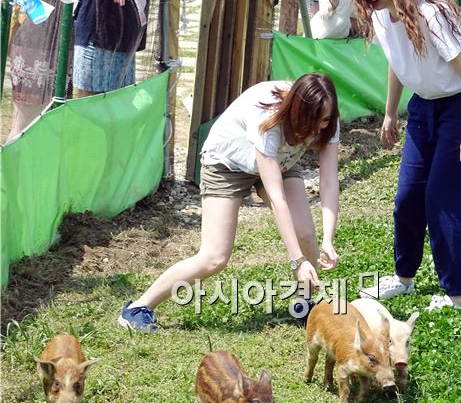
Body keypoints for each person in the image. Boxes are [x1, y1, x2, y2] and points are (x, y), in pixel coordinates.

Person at [118, 73, 341, 331]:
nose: (317, 130)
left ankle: (304, 306)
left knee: (305, 234)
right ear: (296, 112)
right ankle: (138, 308)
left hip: (280, 161)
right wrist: (297, 261)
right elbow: (278, 199)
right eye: (311, 122)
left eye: (323, 121)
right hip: (227, 164)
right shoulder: (268, 121)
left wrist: (327, 239)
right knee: (214, 257)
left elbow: (329, 182)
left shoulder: (327, 118)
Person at [348, 0, 461, 312]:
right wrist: (389, 114)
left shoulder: (431, 14)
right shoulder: (382, 14)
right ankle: (404, 279)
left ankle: (457, 296)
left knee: (442, 199)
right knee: (407, 198)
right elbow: (397, 62)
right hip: (424, 104)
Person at [6, 0, 126, 143]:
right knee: (25, 123)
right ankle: (7, 174)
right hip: (35, 44)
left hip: (61, 44)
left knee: (51, 122)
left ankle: (37, 173)